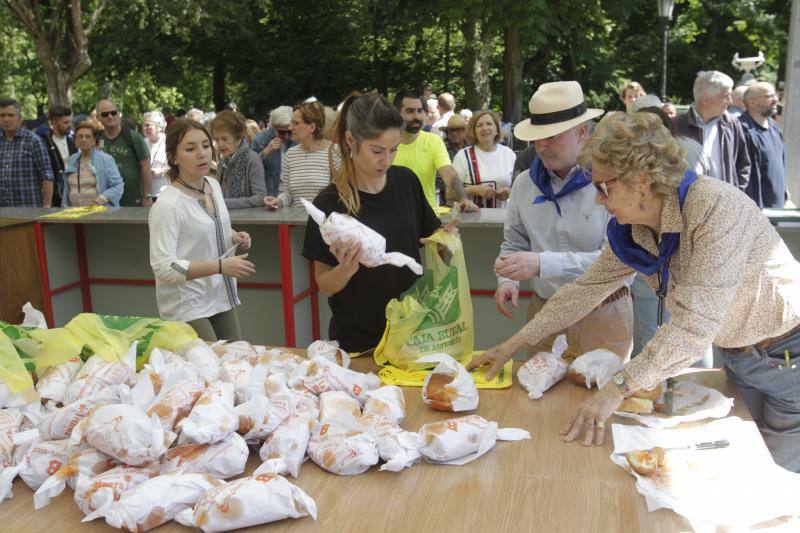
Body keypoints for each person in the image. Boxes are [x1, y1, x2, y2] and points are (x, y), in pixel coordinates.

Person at [469, 111, 800, 473]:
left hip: (788, 356)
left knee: (778, 476)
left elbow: (693, 327)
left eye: (603, 187)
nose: (598, 200)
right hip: (740, 354)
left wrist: (616, 389)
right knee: (748, 465)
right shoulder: (637, 227)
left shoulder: (717, 209)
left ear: (641, 180)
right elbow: (585, 290)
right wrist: (513, 343)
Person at [493, 81, 633, 360]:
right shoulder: (524, 184)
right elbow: (515, 242)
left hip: (603, 313)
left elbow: (619, 262)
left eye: (552, 137)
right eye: (537, 137)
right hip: (544, 312)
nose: (541, 146)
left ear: (582, 132)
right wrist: (507, 280)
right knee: (537, 400)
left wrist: (542, 263)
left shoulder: (612, 182)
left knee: (600, 400)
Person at [302, 93, 445, 353]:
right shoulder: (329, 202)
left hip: (413, 334)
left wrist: (447, 237)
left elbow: (433, 236)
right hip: (358, 343)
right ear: (349, 140)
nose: (386, 161)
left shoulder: (406, 181)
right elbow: (324, 284)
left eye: (394, 150)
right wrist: (345, 269)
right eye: (377, 151)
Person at [149, 119, 255, 342]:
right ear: (173, 157)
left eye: (206, 146)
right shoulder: (167, 204)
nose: (202, 154)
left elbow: (207, 228)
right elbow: (164, 267)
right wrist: (220, 266)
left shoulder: (212, 184)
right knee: (210, 369)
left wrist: (233, 236)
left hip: (219, 295)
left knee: (236, 362)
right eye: (190, 148)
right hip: (186, 304)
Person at [392, 91, 477, 212]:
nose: (417, 116)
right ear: (396, 114)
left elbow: (449, 174)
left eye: (420, 111)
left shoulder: (433, 141)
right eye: (410, 111)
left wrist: (463, 199)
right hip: (392, 215)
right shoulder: (385, 143)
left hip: (425, 218)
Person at [673, 71, 751, 190]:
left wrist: (737, 192)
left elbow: (743, 163)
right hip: (689, 203)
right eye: (726, 96)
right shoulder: (676, 126)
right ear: (706, 99)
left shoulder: (731, 123)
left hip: (725, 202)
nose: (730, 101)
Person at [264, 101, 338, 209]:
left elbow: (341, 194)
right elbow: (288, 194)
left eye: (296, 123)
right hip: (297, 223)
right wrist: (278, 201)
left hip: (324, 223)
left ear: (312, 127)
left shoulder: (335, 152)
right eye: (291, 123)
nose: (291, 127)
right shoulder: (290, 155)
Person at [451, 110, 515, 208]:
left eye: (489, 124)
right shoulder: (463, 156)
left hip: (503, 218)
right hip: (470, 220)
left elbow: (520, 189)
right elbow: (449, 194)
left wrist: (509, 192)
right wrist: (475, 190)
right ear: (474, 131)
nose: (485, 128)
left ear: (497, 129)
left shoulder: (509, 154)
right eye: (479, 125)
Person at [96, 98, 153, 207]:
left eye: (113, 113)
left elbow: (146, 166)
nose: (110, 116)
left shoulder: (133, 137)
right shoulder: (97, 139)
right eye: (105, 114)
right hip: (105, 202)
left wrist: (147, 196)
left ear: (119, 114)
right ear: (98, 118)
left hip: (133, 201)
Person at [0, 98, 54, 207]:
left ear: (20, 118)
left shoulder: (33, 140)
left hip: (29, 210)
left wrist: (46, 207)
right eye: (2, 115)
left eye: (11, 115)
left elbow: (47, 175)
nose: (6, 119)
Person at [741, 82, 785, 208]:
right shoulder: (741, 130)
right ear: (753, 103)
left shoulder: (774, 126)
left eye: (774, 94)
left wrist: (783, 188)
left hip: (776, 203)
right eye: (769, 96)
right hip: (755, 207)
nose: (776, 99)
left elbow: (778, 162)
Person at [210, 110, 266, 209]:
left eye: (224, 139)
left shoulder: (252, 158)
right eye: (217, 139)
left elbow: (260, 198)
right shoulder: (223, 160)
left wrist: (224, 203)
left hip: (249, 221)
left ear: (238, 137)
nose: (220, 144)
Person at [62, 122, 124, 207]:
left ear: (94, 140)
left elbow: (118, 186)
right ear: (75, 140)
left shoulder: (106, 159)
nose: (83, 140)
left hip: (99, 215)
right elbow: (68, 189)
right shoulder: (72, 159)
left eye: (88, 136)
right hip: (74, 213)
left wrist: (100, 200)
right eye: (80, 136)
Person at [251, 106, 297, 196]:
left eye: (290, 132)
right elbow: (250, 169)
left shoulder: (297, 140)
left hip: (292, 196)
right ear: (273, 127)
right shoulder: (260, 140)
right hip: (270, 196)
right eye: (282, 133)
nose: (287, 136)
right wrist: (266, 152)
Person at [39, 105, 77, 206]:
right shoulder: (44, 143)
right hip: (55, 196)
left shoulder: (73, 142)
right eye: (66, 122)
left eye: (70, 122)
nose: (70, 125)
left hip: (74, 193)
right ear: (54, 123)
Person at [142, 111, 169, 198]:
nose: (145, 128)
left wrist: (163, 173)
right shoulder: (142, 143)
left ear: (159, 127)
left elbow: (181, 168)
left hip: (165, 192)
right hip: (147, 194)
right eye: (144, 125)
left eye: (148, 125)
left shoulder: (169, 142)